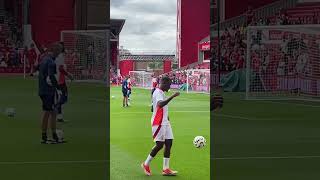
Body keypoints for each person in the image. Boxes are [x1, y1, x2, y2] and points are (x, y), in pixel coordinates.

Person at [141, 76, 180, 176]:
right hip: (158, 123)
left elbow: (161, 108)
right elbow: (160, 104)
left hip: (165, 122)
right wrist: (172, 96)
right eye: (169, 84)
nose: (170, 87)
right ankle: (146, 164)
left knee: (169, 142)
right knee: (160, 145)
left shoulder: (161, 92)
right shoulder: (158, 92)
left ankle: (165, 169)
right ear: (164, 83)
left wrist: (168, 119)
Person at [38, 43, 63, 144]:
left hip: (42, 89)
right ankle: (46, 136)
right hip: (48, 91)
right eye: (59, 52)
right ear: (56, 51)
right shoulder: (51, 62)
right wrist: (58, 88)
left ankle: (54, 135)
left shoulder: (44, 59)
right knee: (48, 112)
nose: (59, 54)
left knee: (53, 112)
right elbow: (51, 77)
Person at [55, 42, 74, 122]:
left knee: (60, 98)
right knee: (64, 99)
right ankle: (55, 107)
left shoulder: (57, 56)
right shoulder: (60, 57)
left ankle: (59, 117)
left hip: (57, 80)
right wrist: (68, 75)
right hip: (60, 81)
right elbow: (60, 69)